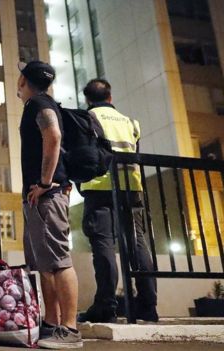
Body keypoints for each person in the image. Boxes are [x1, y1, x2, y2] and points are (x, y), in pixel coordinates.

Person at [77, 79, 158, 323]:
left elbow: (82, 154)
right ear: (110, 98)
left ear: (88, 100)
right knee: (138, 243)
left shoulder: (86, 119)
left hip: (99, 188)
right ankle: (149, 306)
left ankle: (106, 306)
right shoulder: (130, 122)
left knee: (103, 245)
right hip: (131, 189)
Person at [17, 61, 82, 349]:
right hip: (42, 196)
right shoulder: (43, 102)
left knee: (58, 261)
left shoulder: (38, 104)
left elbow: (53, 135)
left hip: (47, 195)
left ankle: (69, 329)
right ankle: (52, 324)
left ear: (23, 80)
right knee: (45, 264)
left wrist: (44, 182)